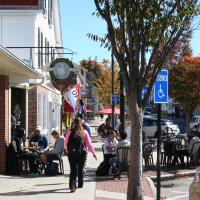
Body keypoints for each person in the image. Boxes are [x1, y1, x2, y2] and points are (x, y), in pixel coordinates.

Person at [64, 117, 97, 193]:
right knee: (80, 169)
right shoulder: (84, 132)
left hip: (71, 153)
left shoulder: (69, 131)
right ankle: (80, 184)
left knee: (73, 169)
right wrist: (93, 153)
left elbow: (65, 143)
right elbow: (89, 144)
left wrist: (66, 150)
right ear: (81, 123)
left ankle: (72, 186)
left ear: (73, 123)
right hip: (82, 153)